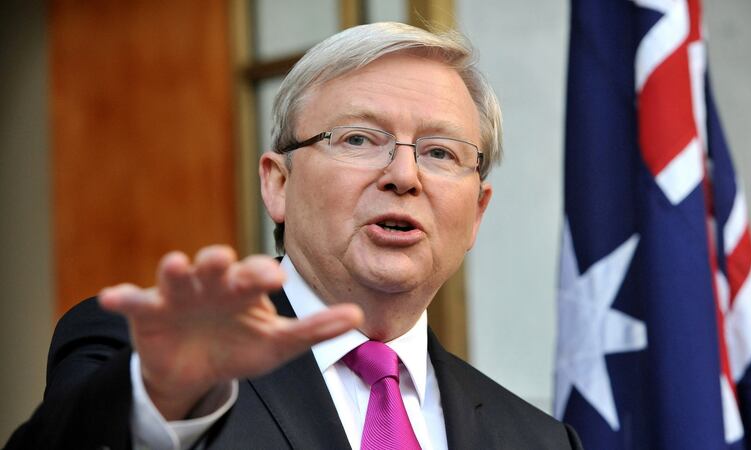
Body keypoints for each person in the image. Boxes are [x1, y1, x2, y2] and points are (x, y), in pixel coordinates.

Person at [6, 22, 582, 450]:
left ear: (477, 212)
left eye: (439, 152)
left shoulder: (538, 439)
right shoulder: (146, 358)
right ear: (278, 183)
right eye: (358, 139)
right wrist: (156, 401)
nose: (403, 176)